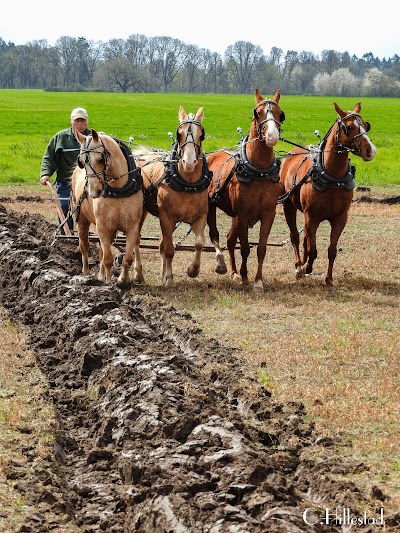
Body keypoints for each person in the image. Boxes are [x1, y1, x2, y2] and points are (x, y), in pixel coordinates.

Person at [40, 107, 90, 234]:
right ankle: (66, 236)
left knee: (89, 210)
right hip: (65, 183)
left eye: (82, 121)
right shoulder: (61, 138)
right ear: (71, 121)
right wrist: (45, 174)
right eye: (77, 121)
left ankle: (88, 235)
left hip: (89, 184)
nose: (80, 124)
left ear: (87, 122)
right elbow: (49, 158)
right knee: (64, 207)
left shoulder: (93, 139)